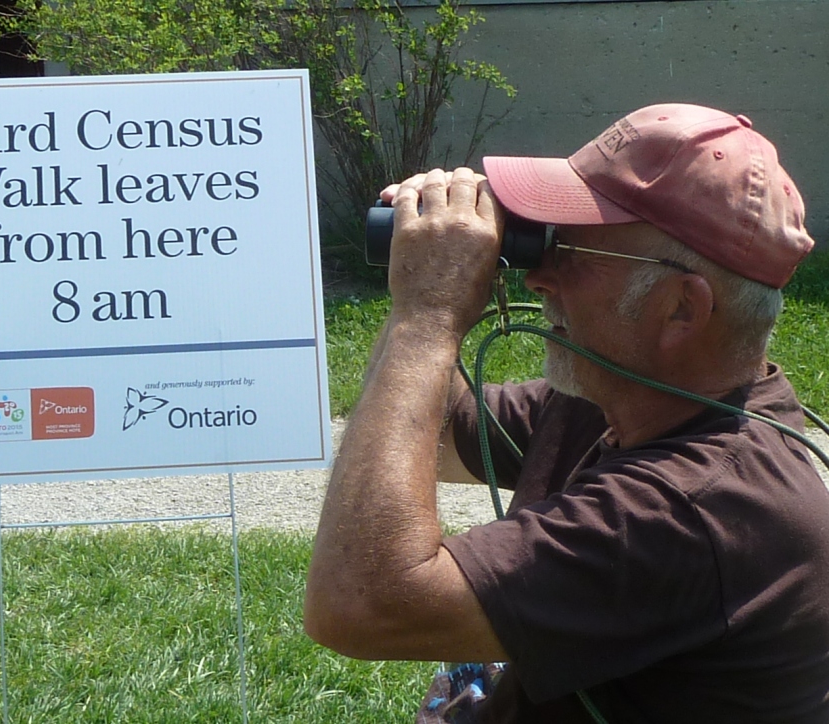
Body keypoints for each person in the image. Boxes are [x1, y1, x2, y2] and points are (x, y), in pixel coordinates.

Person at [303, 103, 829, 723]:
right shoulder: (635, 400)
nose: (540, 277)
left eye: (572, 249)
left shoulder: (694, 511)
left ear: (681, 308)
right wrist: (431, 257)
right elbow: (428, 435)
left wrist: (426, 317)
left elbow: (360, 604)